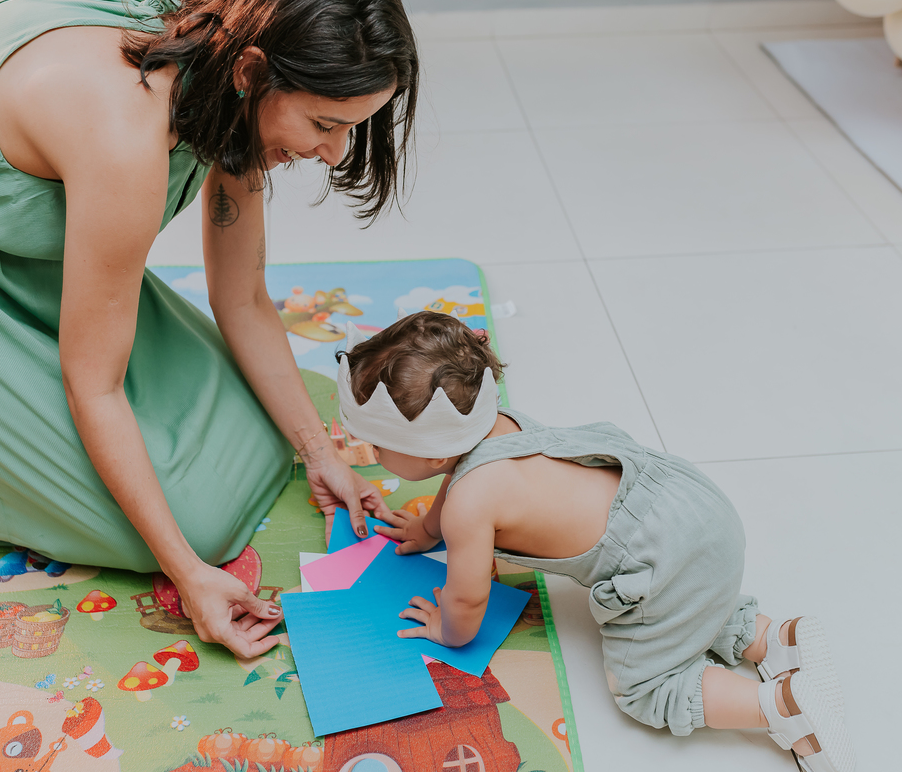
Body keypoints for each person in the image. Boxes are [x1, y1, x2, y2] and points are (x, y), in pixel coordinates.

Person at [0, 0, 415, 658]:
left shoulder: (224, 62)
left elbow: (242, 294)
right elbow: (93, 386)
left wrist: (320, 452)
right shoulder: (125, 130)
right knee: (202, 523)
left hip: (43, 265)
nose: (334, 153)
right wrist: (188, 573)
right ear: (255, 71)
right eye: (324, 125)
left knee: (262, 438)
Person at [338, 312, 855, 772]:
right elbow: (455, 483)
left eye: (378, 445)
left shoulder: (472, 506)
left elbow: (469, 599)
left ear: (431, 455)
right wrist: (427, 529)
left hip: (663, 557)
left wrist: (447, 630)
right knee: (692, 595)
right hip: (691, 509)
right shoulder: (499, 426)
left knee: (644, 689)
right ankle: (772, 637)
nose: (371, 451)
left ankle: (779, 706)